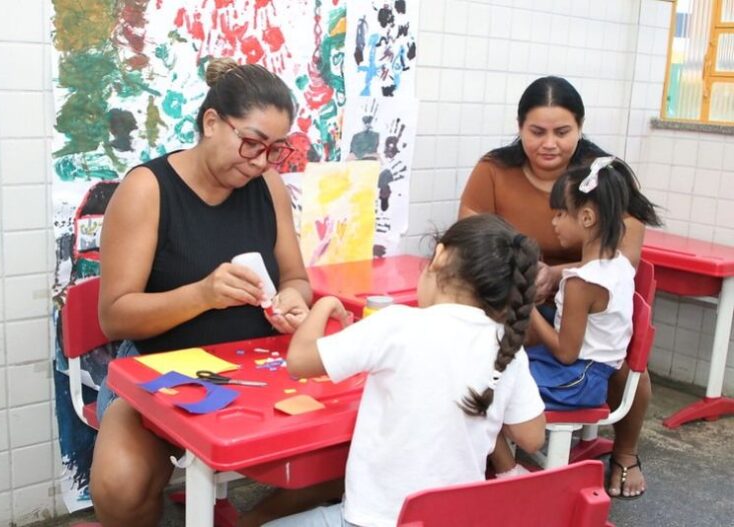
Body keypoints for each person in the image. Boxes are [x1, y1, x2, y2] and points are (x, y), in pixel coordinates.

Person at [91, 57, 334, 527]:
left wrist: (294, 300)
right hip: (159, 370)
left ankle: (246, 521)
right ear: (211, 123)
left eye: (275, 150)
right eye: (251, 144)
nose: (261, 161)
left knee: (349, 452)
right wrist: (202, 295)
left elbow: (296, 277)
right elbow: (115, 316)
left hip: (260, 368)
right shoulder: (148, 188)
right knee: (120, 486)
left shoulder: (268, 186)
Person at [265, 214, 547, 527]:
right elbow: (532, 438)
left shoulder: (397, 324)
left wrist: (324, 304)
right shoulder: (508, 348)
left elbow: (299, 360)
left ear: (440, 256)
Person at [459, 75, 657, 498]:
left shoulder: (604, 177)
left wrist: (559, 274)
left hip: (585, 303)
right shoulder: (495, 169)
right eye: (537, 132)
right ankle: (487, 452)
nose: (549, 143)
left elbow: (627, 255)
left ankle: (625, 454)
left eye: (562, 132)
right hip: (516, 294)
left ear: (581, 128)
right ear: (519, 127)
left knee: (626, 367)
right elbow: (469, 237)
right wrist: (525, 280)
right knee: (478, 354)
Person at [491, 157, 661, 486]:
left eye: (559, 213)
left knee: (491, 386)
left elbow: (566, 352)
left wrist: (526, 307)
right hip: (593, 373)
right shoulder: (619, 266)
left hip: (576, 380)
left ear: (586, 217)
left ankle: (508, 473)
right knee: (500, 367)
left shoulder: (581, 283)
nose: (553, 222)